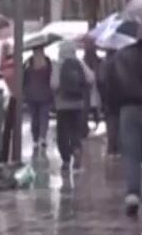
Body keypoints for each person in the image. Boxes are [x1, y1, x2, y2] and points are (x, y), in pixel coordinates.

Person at [107, 33, 142, 215]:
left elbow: (111, 82)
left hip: (128, 108)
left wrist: (114, 108)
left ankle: (132, 193)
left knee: (131, 154)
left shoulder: (122, 56)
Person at [53, 42, 94, 175]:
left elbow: (54, 84)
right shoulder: (79, 63)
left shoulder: (58, 64)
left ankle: (65, 159)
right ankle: (76, 149)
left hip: (62, 105)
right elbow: (91, 78)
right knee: (75, 130)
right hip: (78, 103)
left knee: (62, 133)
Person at [21, 47, 55, 155]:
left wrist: (24, 91)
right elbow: (51, 76)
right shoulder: (48, 62)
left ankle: (36, 139)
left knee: (35, 117)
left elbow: (23, 78)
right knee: (43, 117)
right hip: (45, 94)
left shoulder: (29, 62)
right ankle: (42, 138)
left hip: (32, 95)